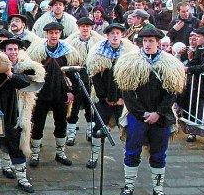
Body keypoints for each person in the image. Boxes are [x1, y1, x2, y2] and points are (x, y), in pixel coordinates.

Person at [114, 27, 186, 195]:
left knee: (159, 153)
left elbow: (172, 93)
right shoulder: (130, 62)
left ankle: (158, 189)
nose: (147, 44)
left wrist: (158, 113)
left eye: (151, 41)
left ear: (158, 42)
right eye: (145, 41)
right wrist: (142, 113)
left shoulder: (169, 64)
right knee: (132, 151)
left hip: (161, 117)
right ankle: (129, 186)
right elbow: (127, 92)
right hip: (137, 115)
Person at [0, 38, 44, 193]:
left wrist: (10, 73)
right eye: (9, 49)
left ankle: (23, 180)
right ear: (4, 52)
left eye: (15, 49)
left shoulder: (24, 67)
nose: (13, 52)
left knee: (17, 147)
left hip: (16, 116)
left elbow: (26, 83)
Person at [26, 22, 80, 167]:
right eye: (51, 33)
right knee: (38, 124)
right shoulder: (38, 52)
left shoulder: (68, 51)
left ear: (60, 34)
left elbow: (73, 74)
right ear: (46, 34)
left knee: (61, 123)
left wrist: (71, 92)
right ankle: (35, 153)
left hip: (61, 93)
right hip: (41, 94)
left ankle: (60, 153)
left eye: (56, 33)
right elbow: (31, 72)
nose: (54, 35)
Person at [85, 23, 137, 168]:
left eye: (118, 33)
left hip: (123, 99)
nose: (115, 36)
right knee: (98, 128)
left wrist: (123, 98)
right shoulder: (98, 52)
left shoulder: (130, 52)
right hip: (103, 97)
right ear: (107, 36)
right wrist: (104, 97)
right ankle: (94, 157)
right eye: (112, 33)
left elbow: (132, 78)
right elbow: (95, 76)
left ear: (122, 35)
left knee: (127, 129)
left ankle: (129, 160)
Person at [64, 17, 104, 145]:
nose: (85, 28)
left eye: (87, 26)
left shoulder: (98, 42)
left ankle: (90, 131)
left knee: (90, 105)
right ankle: (71, 134)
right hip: (76, 76)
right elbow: (67, 60)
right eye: (82, 26)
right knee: (74, 105)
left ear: (91, 27)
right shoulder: (71, 42)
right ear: (79, 27)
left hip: (93, 77)